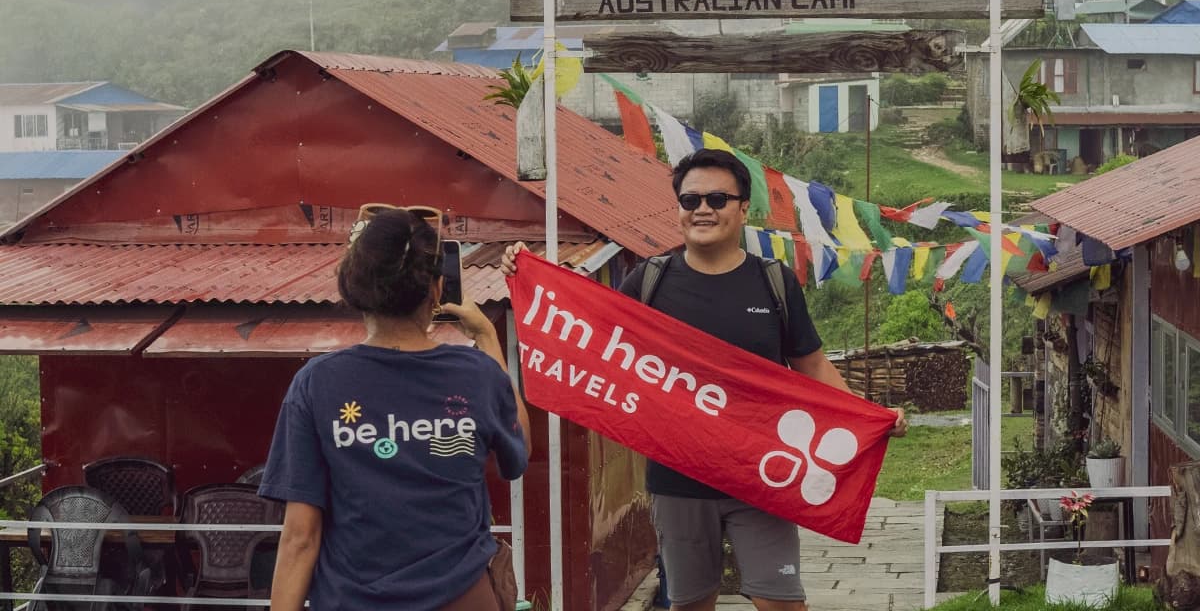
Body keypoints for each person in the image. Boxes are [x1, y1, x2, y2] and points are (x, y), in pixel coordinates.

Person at [501, 149, 907, 611]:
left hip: (765, 474)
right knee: (691, 604)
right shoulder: (649, 281)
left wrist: (867, 415)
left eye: (717, 198)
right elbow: (590, 333)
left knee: (782, 603)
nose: (703, 210)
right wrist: (527, 276)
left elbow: (811, 364)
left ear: (742, 209)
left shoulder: (773, 282)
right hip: (677, 482)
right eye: (690, 200)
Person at [263, 205, 531, 611]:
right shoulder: (478, 373)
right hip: (463, 598)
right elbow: (519, 453)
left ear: (353, 284)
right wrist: (486, 338)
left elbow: (301, 536)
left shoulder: (317, 383)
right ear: (438, 290)